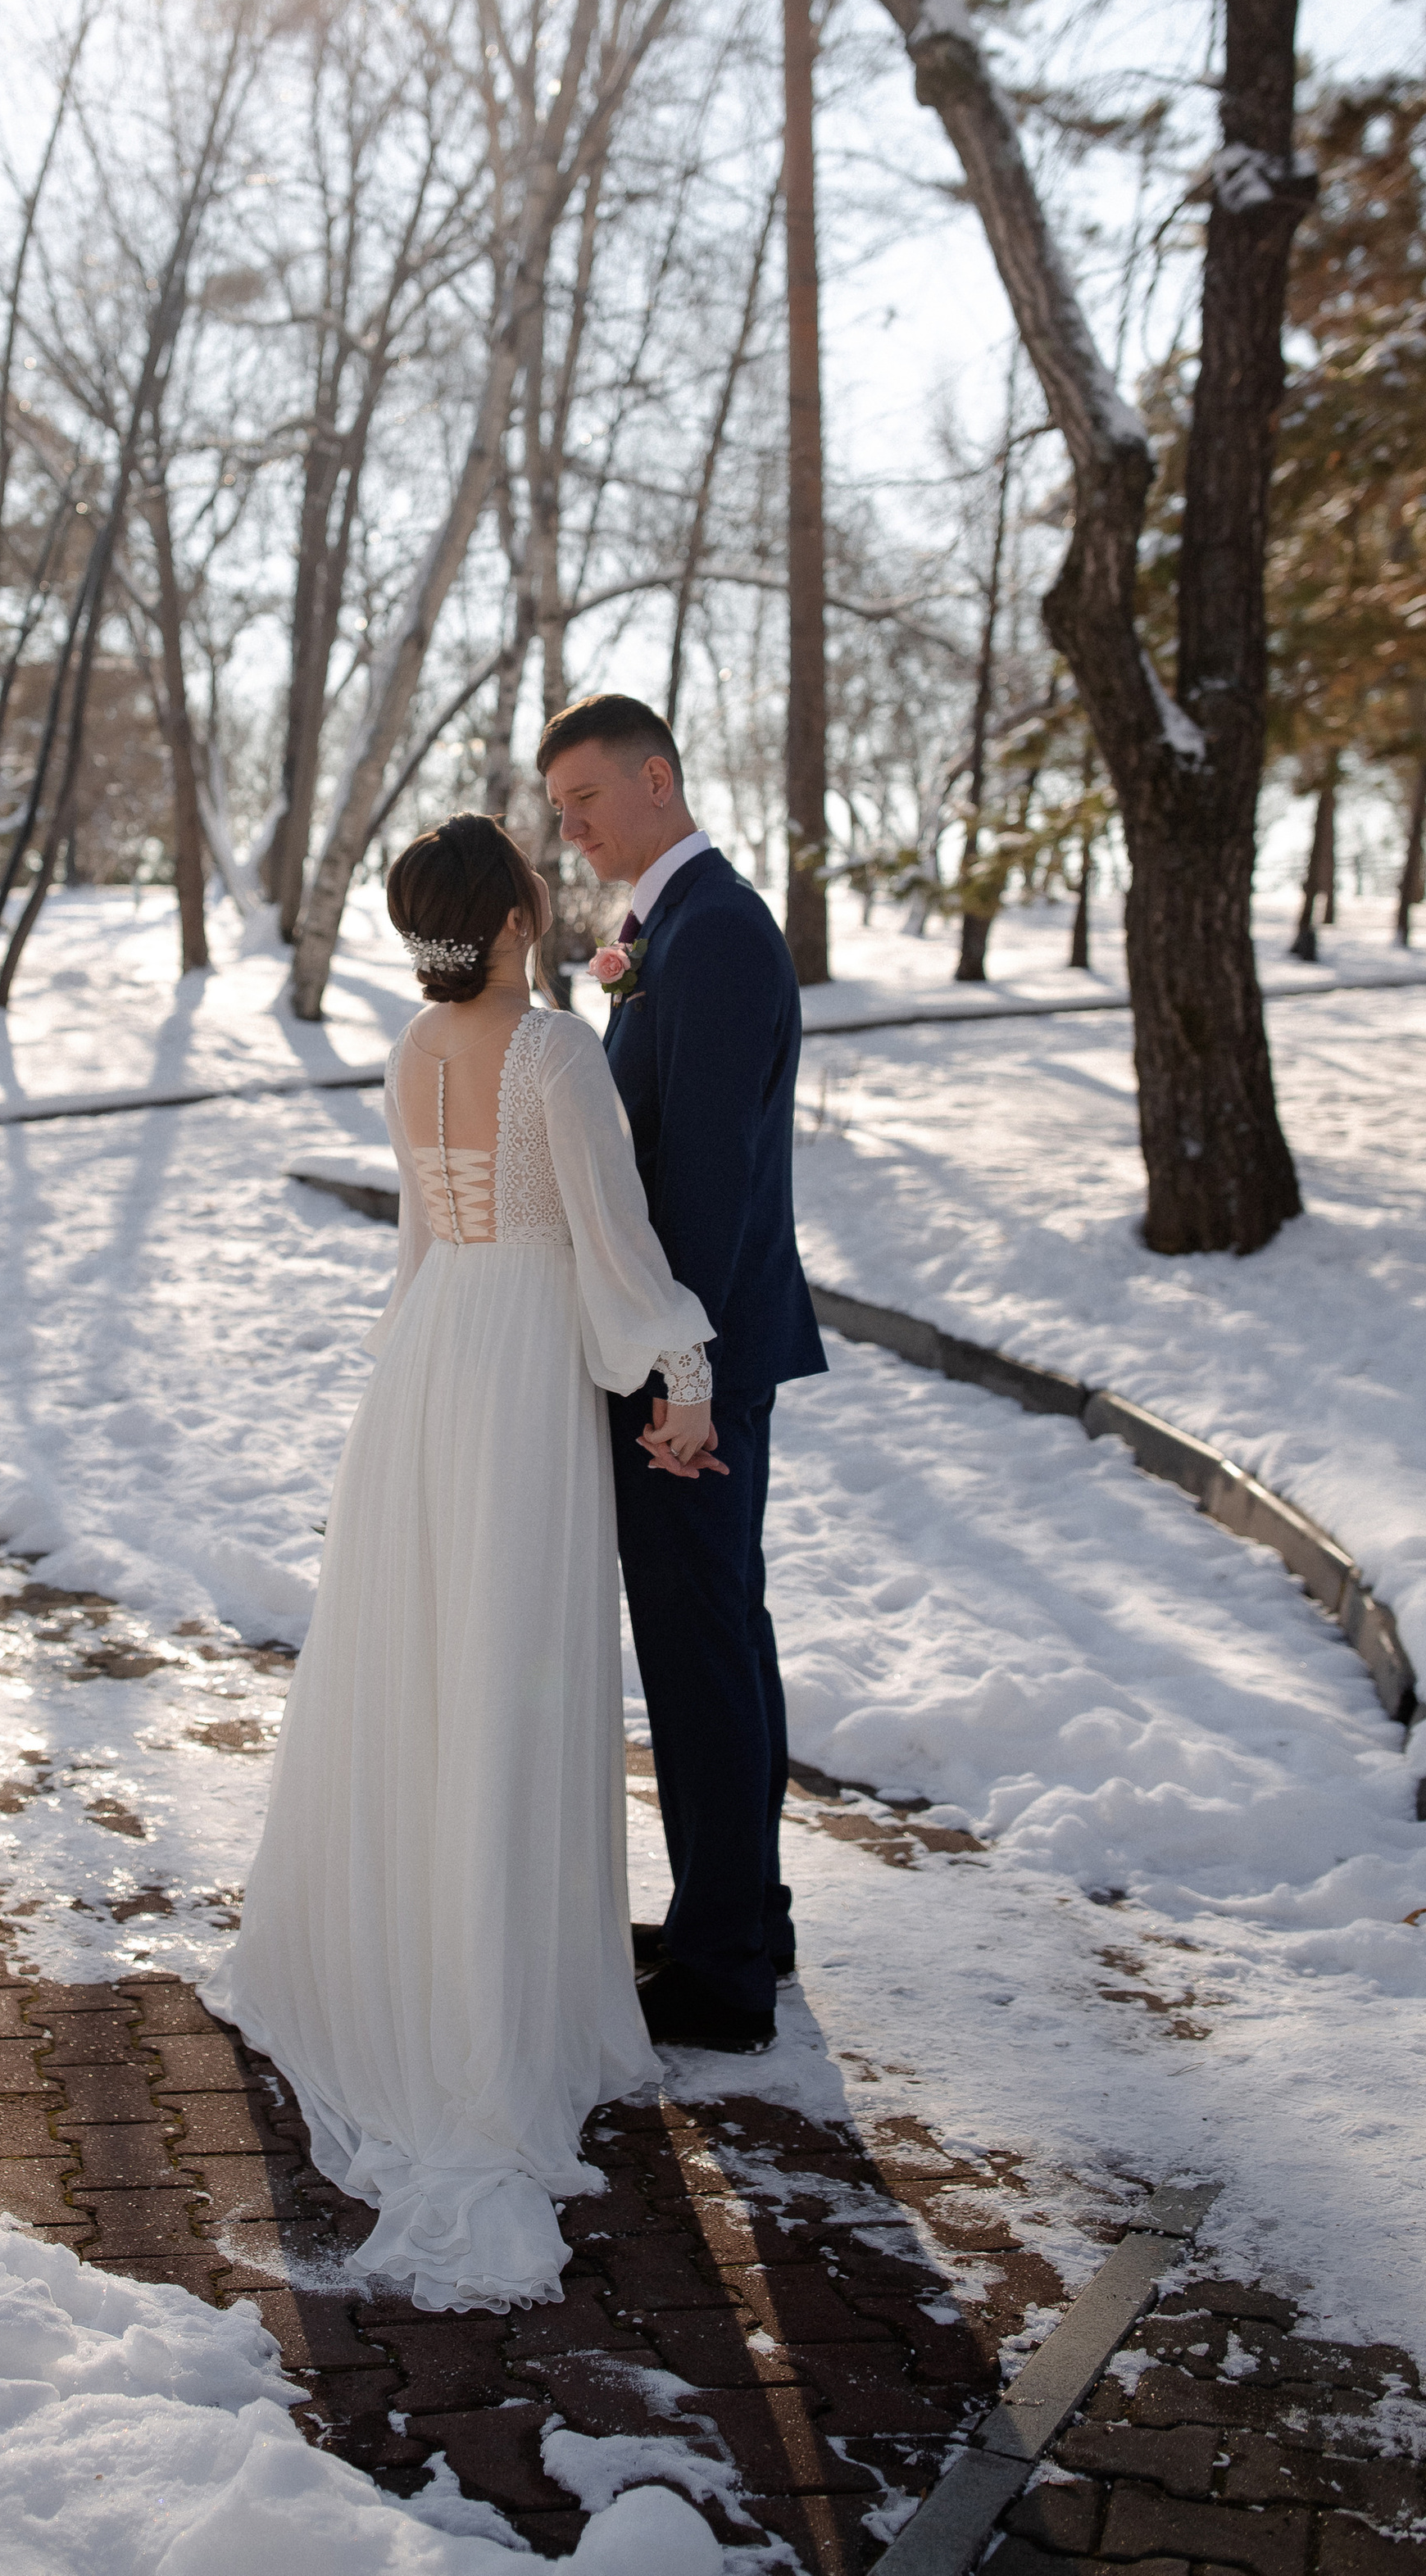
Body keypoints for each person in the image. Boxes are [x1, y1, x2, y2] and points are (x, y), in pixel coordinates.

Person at [204, 812, 718, 2314]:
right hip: (514, 1378)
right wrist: (680, 1376)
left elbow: (428, 1240)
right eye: (536, 890)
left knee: (430, 1664)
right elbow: (613, 1243)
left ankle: (419, 1962)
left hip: (430, 1365)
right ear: (506, 920)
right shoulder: (552, 1051)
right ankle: (495, 2026)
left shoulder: (414, 1050)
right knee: (504, 1663)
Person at [538, 692, 827, 2057]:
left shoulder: (711, 933)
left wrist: (680, 1376)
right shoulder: (674, 929)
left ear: (657, 779)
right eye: (560, 810)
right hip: (692, 1349)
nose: (573, 827)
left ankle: (722, 1971)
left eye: (588, 799)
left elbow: (703, 1183)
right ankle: (741, 1915)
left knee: (701, 1641)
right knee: (719, 1630)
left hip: (694, 1360)